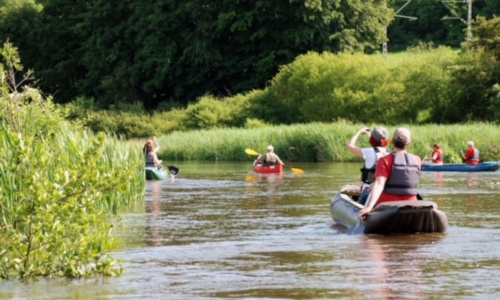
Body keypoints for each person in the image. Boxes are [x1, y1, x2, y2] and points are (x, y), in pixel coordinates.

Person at [359, 127, 422, 221]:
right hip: (411, 205)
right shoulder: (417, 160)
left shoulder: (384, 160)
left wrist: (368, 207)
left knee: (370, 190)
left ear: (392, 141)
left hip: (388, 206)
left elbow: (379, 184)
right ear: (409, 144)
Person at [346, 127, 390, 205]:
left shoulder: (368, 152)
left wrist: (359, 132)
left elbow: (350, 145)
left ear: (372, 140)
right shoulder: (390, 154)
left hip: (369, 191)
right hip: (385, 191)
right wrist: (369, 135)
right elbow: (377, 149)